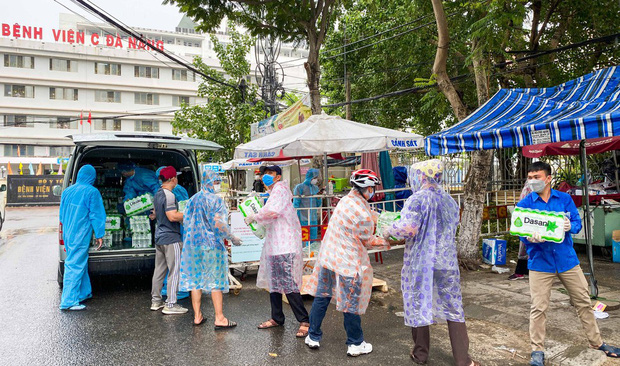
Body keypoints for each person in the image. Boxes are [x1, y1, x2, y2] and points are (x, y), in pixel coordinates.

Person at [516, 161, 620, 366]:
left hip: (566, 260)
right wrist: (529, 238)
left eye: (537, 177)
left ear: (548, 178)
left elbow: (577, 223)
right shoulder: (526, 203)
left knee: (583, 301)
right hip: (540, 262)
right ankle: (537, 350)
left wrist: (568, 225)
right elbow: (520, 228)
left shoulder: (564, 199)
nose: (532, 181)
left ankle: (597, 342)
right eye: (530, 177)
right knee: (538, 308)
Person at [382, 160, 479, 366]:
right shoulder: (450, 201)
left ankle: (420, 354)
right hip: (447, 262)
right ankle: (464, 359)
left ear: (421, 177)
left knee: (418, 303)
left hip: (421, 262)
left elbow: (408, 229)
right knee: (454, 307)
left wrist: (389, 229)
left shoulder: (416, 200)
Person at [303, 169, 392, 357]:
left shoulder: (345, 201)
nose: (373, 191)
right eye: (372, 188)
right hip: (347, 263)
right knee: (350, 302)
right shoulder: (362, 212)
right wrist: (390, 240)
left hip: (329, 257)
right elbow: (368, 240)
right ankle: (355, 343)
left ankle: (313, 336)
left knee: (322, 296)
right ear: (365, 188)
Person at [243, 165, 310, 338]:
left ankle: (304, 321)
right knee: (274, 285)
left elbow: (272, 212)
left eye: (270, 173)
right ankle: (277, 318)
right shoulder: (273, 192)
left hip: (284, 245)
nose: (266, 176)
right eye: (264, 174)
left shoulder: (280, 190)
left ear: (278, 177)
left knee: (288, 285)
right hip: (275, 245)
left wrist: (254, 217)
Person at [179, 170, 243, 327]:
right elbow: (218, 225)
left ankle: (197, 316)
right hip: (211, 246)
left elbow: (185, 221)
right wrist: (232, 237)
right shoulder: (215, 201)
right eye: (216, 181)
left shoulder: (192, 200)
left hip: (193, 246)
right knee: (215, 280)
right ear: (211, 182)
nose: (217, 184)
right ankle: (220, 318)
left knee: (196, 280)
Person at [59, 164, 106, 311]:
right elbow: (96, 215)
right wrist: (99, 234)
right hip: (80, 233)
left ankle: (83, 293)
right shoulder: (92, 192)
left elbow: (61, 214)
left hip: (68, 231)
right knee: (74, 264)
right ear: (92, 177)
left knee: (79, 261)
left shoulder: (67, 191)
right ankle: (68, 301)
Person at [150, 166, 187, 315]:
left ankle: (156, 301)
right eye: (176, 177)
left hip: (159, 237)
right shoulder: (170, 195)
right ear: (172, 179)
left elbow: (153, 215)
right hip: (171, 238)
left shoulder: (158, 194)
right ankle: (171, 304)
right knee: (174, 271)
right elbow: (172, 216)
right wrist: (187, 214)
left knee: (159, 270)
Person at [508, 180, 533, 281]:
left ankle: (521, 271)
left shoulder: (533, 186)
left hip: (531, 217)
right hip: (524, 216)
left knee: (527, 245)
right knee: (524, 244)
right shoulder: (529, 184)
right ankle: (522, 271)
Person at [293, 168, 321, 242]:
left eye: (316, 178)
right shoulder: (299, 187)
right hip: (303, 218)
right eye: (314, 178)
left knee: (313, 238)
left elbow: (318, 204)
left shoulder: (316, 188)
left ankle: (312, 253)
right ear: (310, 177)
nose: (316, 180)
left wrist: (319, 197)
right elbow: (296, 204)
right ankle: (303, 252)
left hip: (313, 218)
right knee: (303, 239)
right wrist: (296, 216)